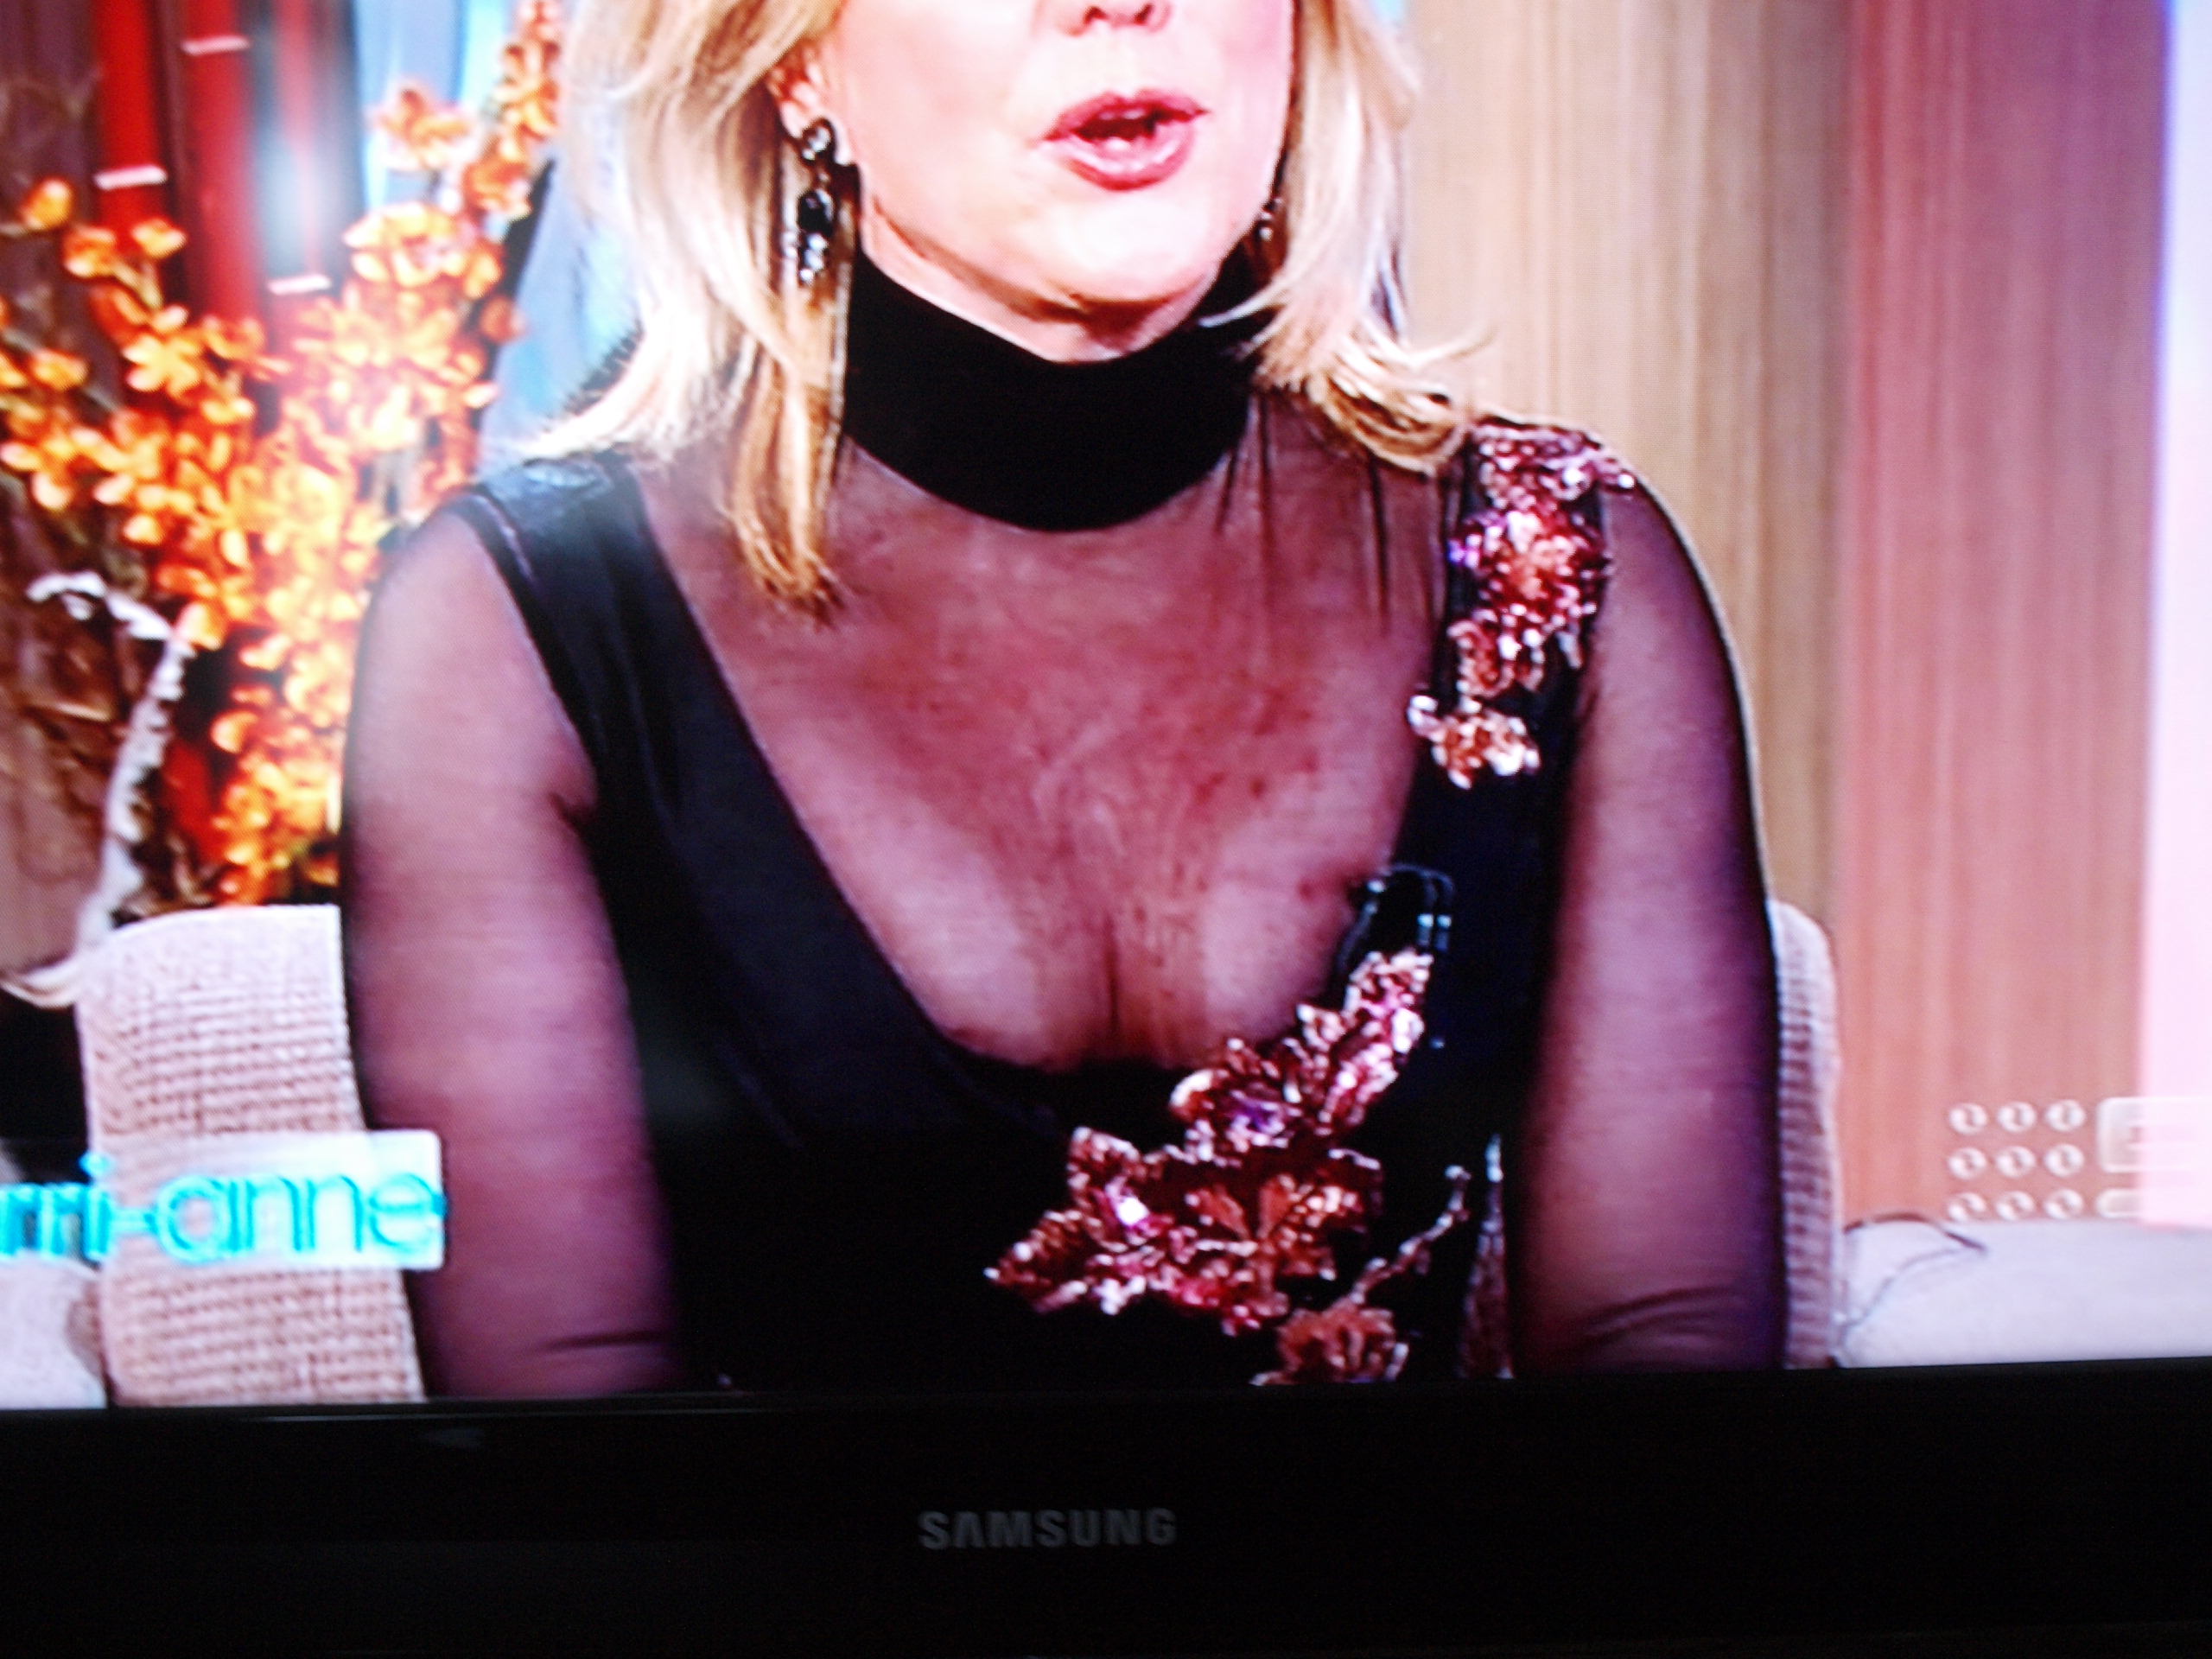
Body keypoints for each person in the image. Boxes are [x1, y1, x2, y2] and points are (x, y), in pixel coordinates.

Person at [340, 0, 1783, 1398]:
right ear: (792, 62)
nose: (1119, 5)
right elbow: (566, 1467)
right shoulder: (518, 625)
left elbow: (1668, 1376)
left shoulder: (1557, 565)